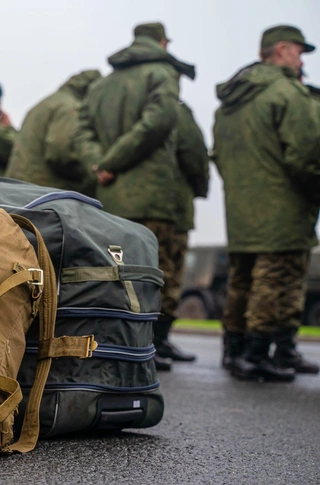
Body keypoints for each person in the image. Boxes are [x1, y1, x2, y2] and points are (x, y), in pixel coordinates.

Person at [74, 22, 196, 371]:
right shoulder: (163, 72)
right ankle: (151, 348)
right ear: (162, 42)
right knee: (159, 273)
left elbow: (81, 130)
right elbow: (159, 121)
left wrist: (99, 163)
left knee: (118, 273)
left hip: (111, 198)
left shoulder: (99, 86)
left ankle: (119, 348)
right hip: (153, 196)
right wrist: (113, 160)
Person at [213, 25, 320, 381]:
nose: (300, 59)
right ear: (282, 49)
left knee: (243, 280)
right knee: (278, 279)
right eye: (299, 52)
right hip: (283, 205)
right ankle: (260, 355)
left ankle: (237, 352)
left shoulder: (232, 98)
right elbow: (306, 155)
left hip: (242, 206)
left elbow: (220, 156)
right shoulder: (286, 92)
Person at [5, 70, 101, 196]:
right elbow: (60, 152)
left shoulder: (46, 103)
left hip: (18, 186)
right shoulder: (70, 107)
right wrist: (92, 172)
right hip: (42, 190)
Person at [169, 101, 210, 351]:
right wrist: (201, 187)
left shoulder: (107, 102)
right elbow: (195, 154)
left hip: (119, 206)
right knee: (168, 276)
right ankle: (158, 343)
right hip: (169, 206)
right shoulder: (175, 110)